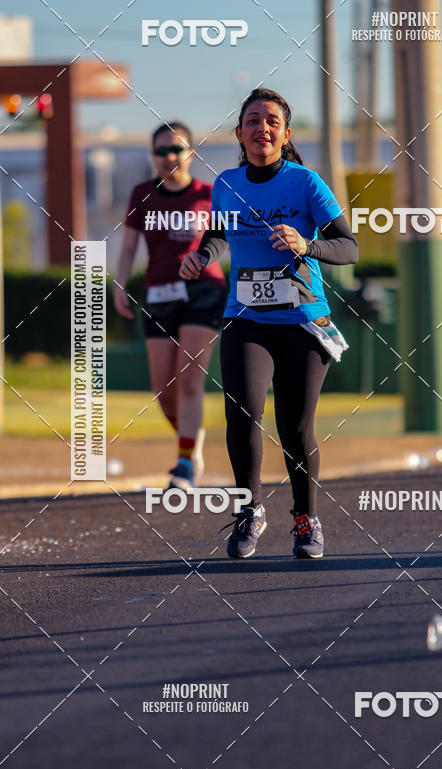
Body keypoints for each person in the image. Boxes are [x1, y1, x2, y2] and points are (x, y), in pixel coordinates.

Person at [180, 87, 358, 558]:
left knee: (295, 427)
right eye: (253, 120)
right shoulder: (226, 184)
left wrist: (307, 243)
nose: (263, 128)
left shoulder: (306, 183)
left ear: (285, 133)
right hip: (245, 315)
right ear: (240, 133)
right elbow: (219, 237)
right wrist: (203, 257)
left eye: (272, 121)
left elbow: (348, 246)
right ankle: (249, 510)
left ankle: (305, 518)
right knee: (241, 411)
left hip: (302, 318)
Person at [113, 121, 227, 488]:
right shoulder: (142, 194)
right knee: (164, 392)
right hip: (159, 293)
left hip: (203, 291)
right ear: (153, 156)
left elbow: (229, 243)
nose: (170, 157)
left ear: (191, 153)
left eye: (177, 149)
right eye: (162, 150)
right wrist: (119, 283)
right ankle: (191, 442)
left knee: (191, 381)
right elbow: (129, 246)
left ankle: (184, 466)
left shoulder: (210, 194)